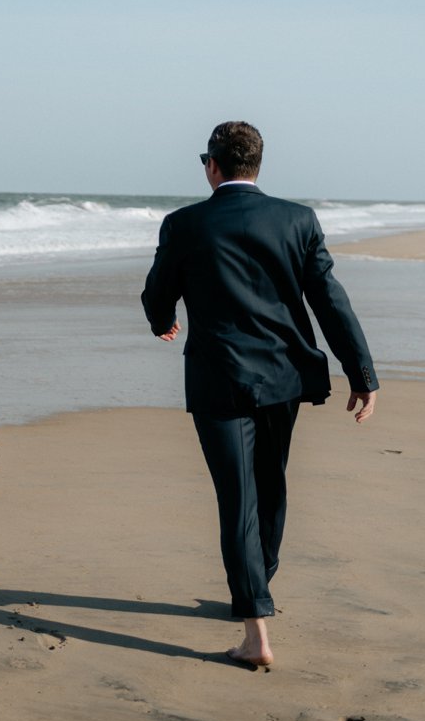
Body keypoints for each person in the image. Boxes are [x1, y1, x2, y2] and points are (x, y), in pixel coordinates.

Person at [140, 121, 378, 668]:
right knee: (269, 487)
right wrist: (361, 373)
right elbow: (329, 301)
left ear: (213, 166)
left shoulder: (185, 224)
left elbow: (158, 293)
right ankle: (257, 584)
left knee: (238, 498)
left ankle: (256, 633)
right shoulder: (298, 220)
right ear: (256, 165)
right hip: (283, 378)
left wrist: (161, 321)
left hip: (219, 378)